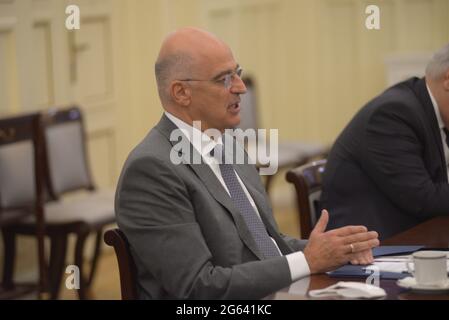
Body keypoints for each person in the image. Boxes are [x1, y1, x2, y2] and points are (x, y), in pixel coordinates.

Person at [115, 27, 379, 299]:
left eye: (237, 74)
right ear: (181, 92)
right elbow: (198, 287)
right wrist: (309, 260)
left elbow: (264, 243)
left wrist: (336, 248)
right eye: (224, 79)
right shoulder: (152, 169)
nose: (240, 88)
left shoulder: (228, 145)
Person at [321, 43, 449, 240]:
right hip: (369, 249)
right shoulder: (392, 114)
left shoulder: (431, 110)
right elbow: (424, 199)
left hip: (413, 235)